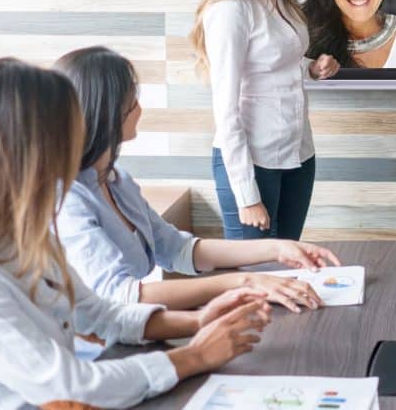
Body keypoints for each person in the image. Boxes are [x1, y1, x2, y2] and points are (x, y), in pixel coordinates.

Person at [0, 58, 272, 408]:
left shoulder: (24, 241)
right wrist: (195, 357)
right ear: (27, 156)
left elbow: (98, 315)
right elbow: (72, 386)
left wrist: (197, 320)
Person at [54, 46, 343, 312]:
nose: (139, 109)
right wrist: (244, 283)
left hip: (133, 332)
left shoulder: (117, 181)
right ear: (106, 111)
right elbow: (121, 295)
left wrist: (276, 248)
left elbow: (177, 249)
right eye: (132, 101)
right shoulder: (68, 200)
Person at [190, 0, 340, 241]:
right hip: (252, 164)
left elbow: (275, 61)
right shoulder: (229, 9)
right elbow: (225, 110)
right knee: (256, 282)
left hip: (299, 154)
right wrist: (246, 195)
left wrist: (312, 68)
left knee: (286, 269)